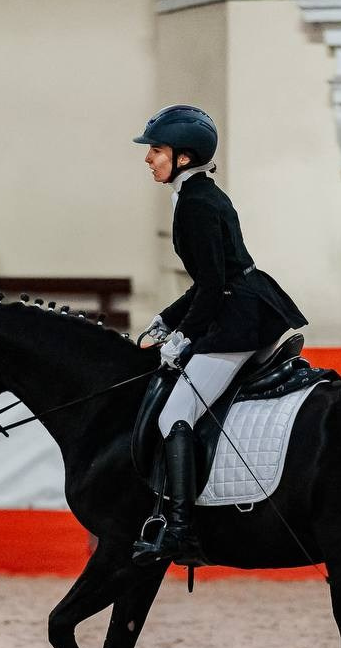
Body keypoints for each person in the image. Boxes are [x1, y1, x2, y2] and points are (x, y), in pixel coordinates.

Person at [130, 104, 307, 566]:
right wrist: (166, 319)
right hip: (245, 303)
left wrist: (182, 337)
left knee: (175, 415)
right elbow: (210, 278)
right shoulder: (198, 194)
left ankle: (180, 530)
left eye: (156, 150)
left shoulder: (196, 203)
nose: (148, 158)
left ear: (183, 157)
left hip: (238, 317)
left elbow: (212, 284)